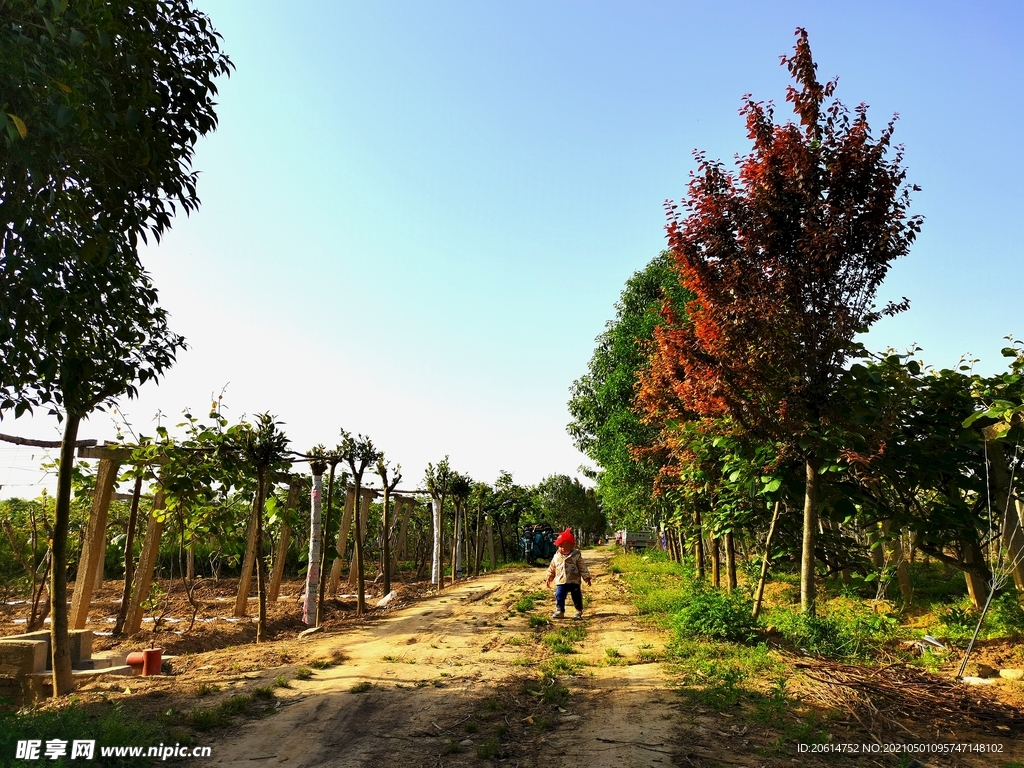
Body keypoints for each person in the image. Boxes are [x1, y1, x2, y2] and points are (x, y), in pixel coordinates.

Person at [545, 527, 592, 619]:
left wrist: (586, 577)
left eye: (566, 546)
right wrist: (549, 578)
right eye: (560, 546)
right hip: (561, 581)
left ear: (572, 546)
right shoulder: (556, 556)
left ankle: (578, 611)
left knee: (576, 596)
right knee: (559, 595)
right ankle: (560, 611)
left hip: (574, 581)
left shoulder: (576, 556)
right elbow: (552, 568)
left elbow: (582, 567)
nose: (562, 548)